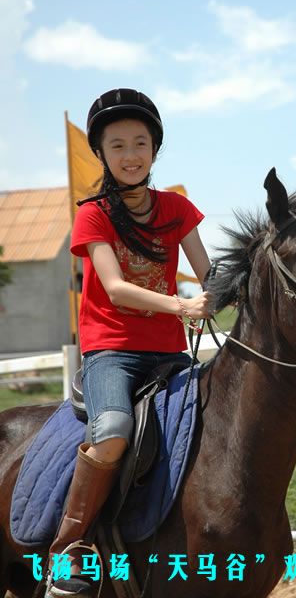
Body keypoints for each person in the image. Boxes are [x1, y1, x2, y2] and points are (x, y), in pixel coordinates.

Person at [46, 88, 212, 598]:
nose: (131, 154)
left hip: (170, 351)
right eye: (117, 145)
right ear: (101, 153)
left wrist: (232, 288)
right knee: (115, 427)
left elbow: (210, 272)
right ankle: (68, 549)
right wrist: (184, 305)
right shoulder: (92, 215)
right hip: (111, 350)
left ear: (155, 150)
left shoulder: (177, 208)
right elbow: (115, 288)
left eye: (141, 142)